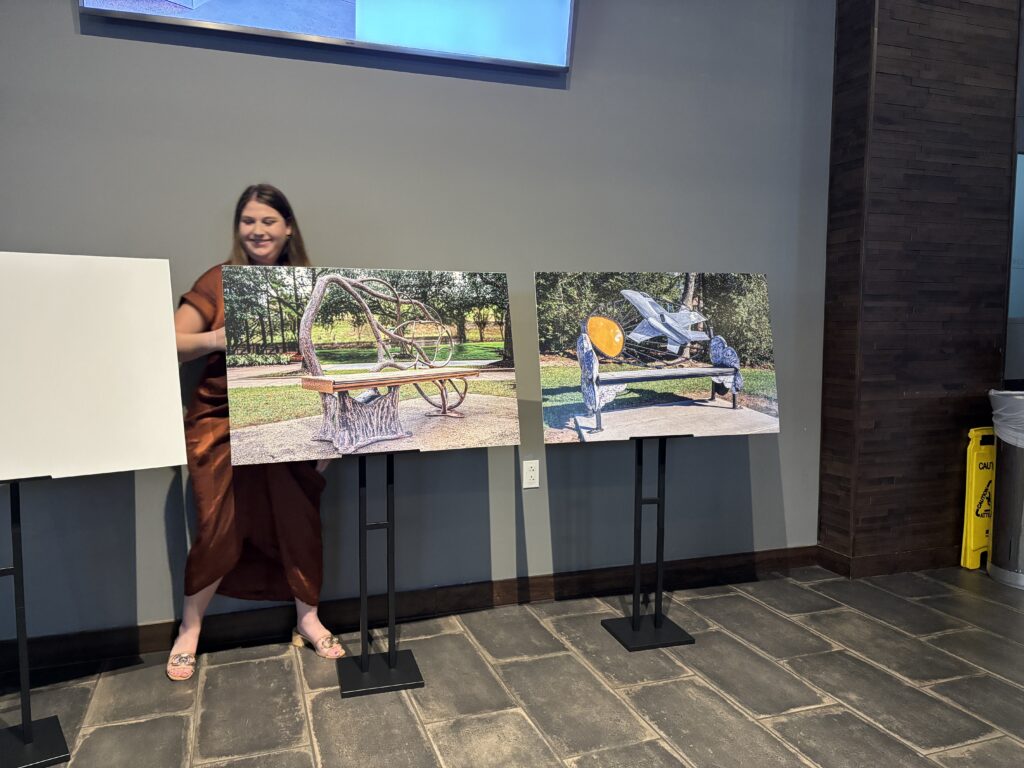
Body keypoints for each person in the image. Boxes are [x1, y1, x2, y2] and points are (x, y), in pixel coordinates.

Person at [167, 184, 343, 681]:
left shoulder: (310, 286)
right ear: (238, 228)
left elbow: (325, 359)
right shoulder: (218, 280)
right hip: (219, 422)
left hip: (292, 420)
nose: (258, 231)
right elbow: (169, 343)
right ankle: (190, 629)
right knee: (216, 524)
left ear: (288, 228)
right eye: (249, 221)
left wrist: (330, 435)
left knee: (298, 519)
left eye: (268, 221)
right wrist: (217, 338)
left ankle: (308, 619)